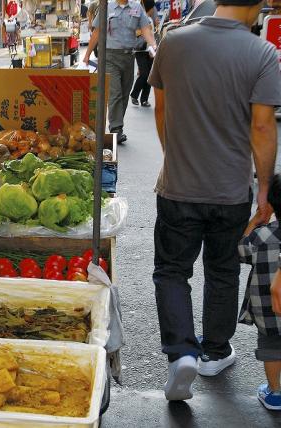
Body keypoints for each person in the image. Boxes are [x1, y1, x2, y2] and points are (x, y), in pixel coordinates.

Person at [148, 0, 281, 401]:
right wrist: (263, 190)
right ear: (258, 5)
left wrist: (174, 155)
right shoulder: (262, 53)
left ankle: (181, 352)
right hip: (231, 191)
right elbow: (261, 126)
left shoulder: (174, 41)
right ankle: (215, 352)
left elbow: (160, 108)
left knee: (172, 270)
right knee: (222, 270)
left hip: (178, 185)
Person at [83, 0, 158, 144]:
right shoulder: (106, 6)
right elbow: (97, 32)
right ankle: (116, 129)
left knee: (124, 93)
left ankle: (116, 124)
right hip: (109, 56)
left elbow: (145, 28)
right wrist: (87, 54)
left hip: (129, 57)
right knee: (115, 93)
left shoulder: (136, 7)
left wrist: (152, 43)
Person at [239, 175, 281, 411]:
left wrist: (255, 219)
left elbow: (241, 251)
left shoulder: (262, 236)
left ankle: (275, 393)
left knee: (272, 348)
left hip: (269, 311)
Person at [130, 0, 158, 107]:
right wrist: (144, 30)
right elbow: (134, 32)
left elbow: (153, 34)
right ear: (148, 8)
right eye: (152, 9)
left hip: (150, 49)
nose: (153, 11)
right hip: (140, 49)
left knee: (150, 75)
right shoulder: (137, 16)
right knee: (144, 73)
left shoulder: (150, 18)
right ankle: (134, 95)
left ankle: (144, 99)